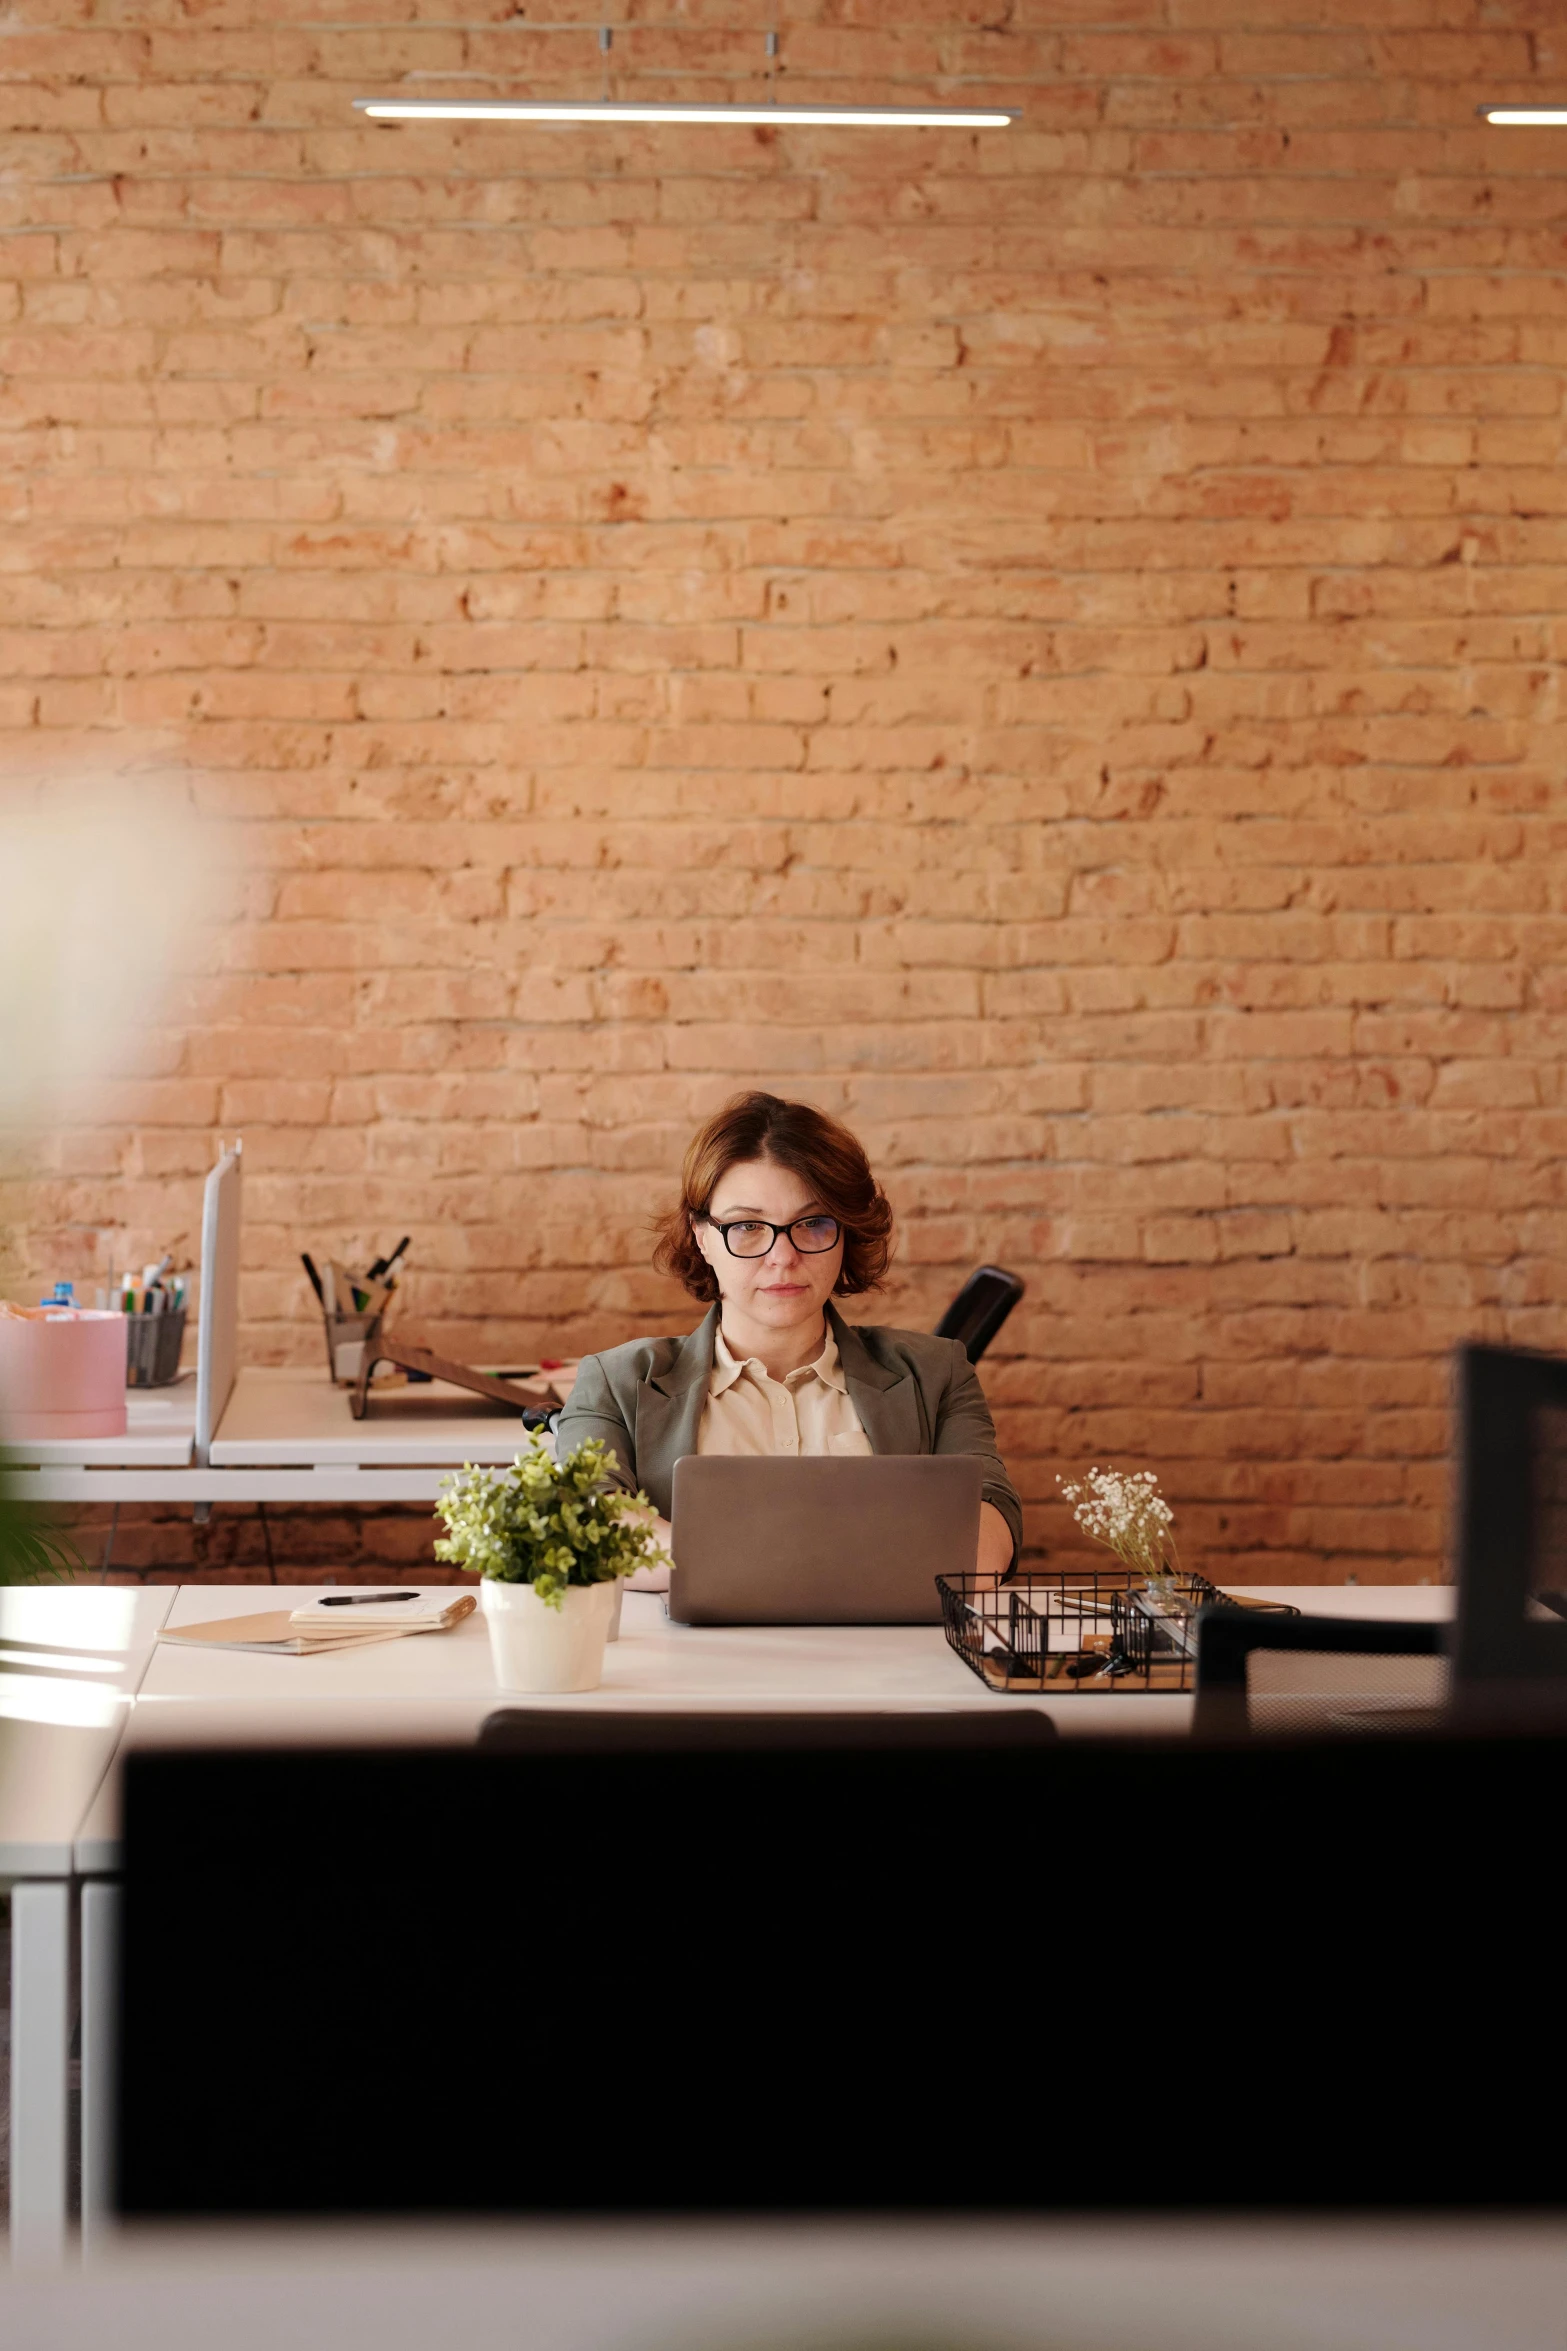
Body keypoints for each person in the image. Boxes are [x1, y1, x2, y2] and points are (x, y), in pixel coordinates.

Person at [554, 1091, 1021, 1585]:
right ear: (702, 1236)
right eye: (748, 1226)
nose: (782, 1256)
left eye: (813, 1224)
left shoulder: (938, 1372)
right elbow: (591, 1526)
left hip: (887, 1659)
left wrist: (729, 1558)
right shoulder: (615, 1381)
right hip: (691, 1660)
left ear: (846, 1234)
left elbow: (990, 1529)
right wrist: (839, 1562)